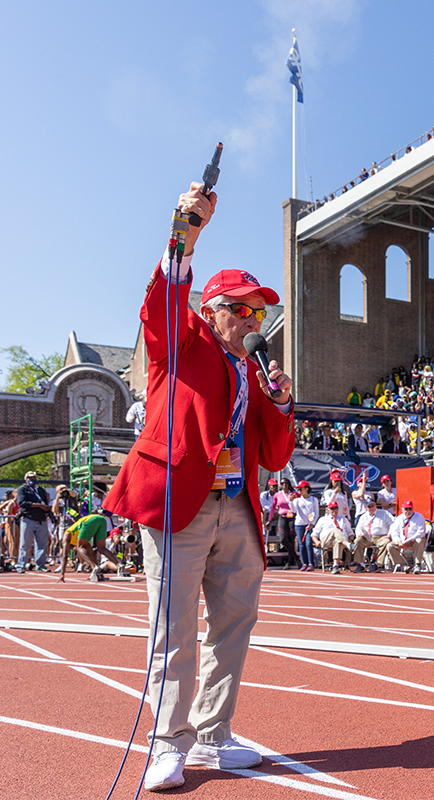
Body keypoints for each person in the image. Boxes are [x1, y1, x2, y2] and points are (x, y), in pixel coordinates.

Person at [104, 180, 296, 792]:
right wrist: (186, 229)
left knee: (234, 621)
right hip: (178, 503)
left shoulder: (254, 371)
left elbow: (276, 452)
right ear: (211, 310)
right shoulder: (180, 342)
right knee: (173, 627)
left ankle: (214, 733)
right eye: (240, 308)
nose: (252, 319)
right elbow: (162, 299)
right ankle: (167, 741)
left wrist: (283, 405)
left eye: (259, 311)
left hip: (237, 505)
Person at [57, 513, 122, 582]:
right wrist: (97, 568)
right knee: (101, 548)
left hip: (89, 520)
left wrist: (62, 574)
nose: (69, 550)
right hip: (102, 519)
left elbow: (64, 555)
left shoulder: (67, 535)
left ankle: (93, 567)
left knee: (80, 547)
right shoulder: (80, 540)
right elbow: (91, 552)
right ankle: (119, 565)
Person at [14, 470, 51, 573]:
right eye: (30, 478)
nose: (32, 480)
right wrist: (38, 505)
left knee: (41, 544)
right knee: (24, 544)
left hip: (41, 520)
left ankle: (40, 565)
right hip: (28, 519)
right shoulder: (22, 489)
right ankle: (21, 565)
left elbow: (46, 501)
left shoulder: (40, 490)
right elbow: (22, 503)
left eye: (33, 478)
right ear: (26, 479)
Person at [385, 500, 427, 572]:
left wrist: (409, 540)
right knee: (389, 546)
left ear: (413, 509)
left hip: (413, 541)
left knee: (419, 540)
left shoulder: (419, 517)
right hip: (402, 541)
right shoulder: (399, 518)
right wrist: (398, 541)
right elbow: (394, 532)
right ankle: (403, 565)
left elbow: (421, 532)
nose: (408, 511)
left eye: (410, 509)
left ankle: (418, 565)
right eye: (406, 509)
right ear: (402, 510)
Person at [354, 497, 393, 572]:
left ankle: (377, 563)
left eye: (373, 505)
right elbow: (358, 528)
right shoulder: (363, 516)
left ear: (375, 505)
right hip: (367, 537)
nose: (371, 508)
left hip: (380, 537)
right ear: (366, 507)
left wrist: (389, 535)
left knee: (386, 542)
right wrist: (359, 534)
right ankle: (360, 564)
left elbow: (393, 524)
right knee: (357, 541)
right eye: (369, 506)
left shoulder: (384, 513)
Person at [313, 502, 353, 573]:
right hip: (326, 541)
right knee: (335, 530)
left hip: (340, 541)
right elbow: (314, 534)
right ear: (328, 510)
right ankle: (349, 545)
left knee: (338, 541)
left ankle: (335, 566)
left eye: (336, 508)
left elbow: (351, 533)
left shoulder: (343, 519)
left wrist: (350, 539)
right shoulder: (323, 519)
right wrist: (316, 541)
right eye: (332, 508)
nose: (334, 510)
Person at [268, 478, 298, 569]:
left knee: (291, 539)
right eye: (282, 483)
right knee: (283, 539)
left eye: (286, 483)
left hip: (291, 517)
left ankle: (289, 562)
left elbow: (299, 505)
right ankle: (296, 558)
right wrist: (269, 520)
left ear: (289, 484)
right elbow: (273, 507)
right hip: (282, 517)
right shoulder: (277, 495)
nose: (284, 485)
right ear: (280, 485)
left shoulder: (294, 493)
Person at [292, 480, 319, 572]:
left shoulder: (313, 499)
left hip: (309, 525)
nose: (299, 491)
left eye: (301, 489)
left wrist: (312, 524)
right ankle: (304, 563)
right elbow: (293, 510)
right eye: (298, 489)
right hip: (299, 524)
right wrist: (291, 501)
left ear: (306, 489)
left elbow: (316, 512)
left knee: (308, 543)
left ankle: (311, 563)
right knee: (301, 544)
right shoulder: (297, 500)